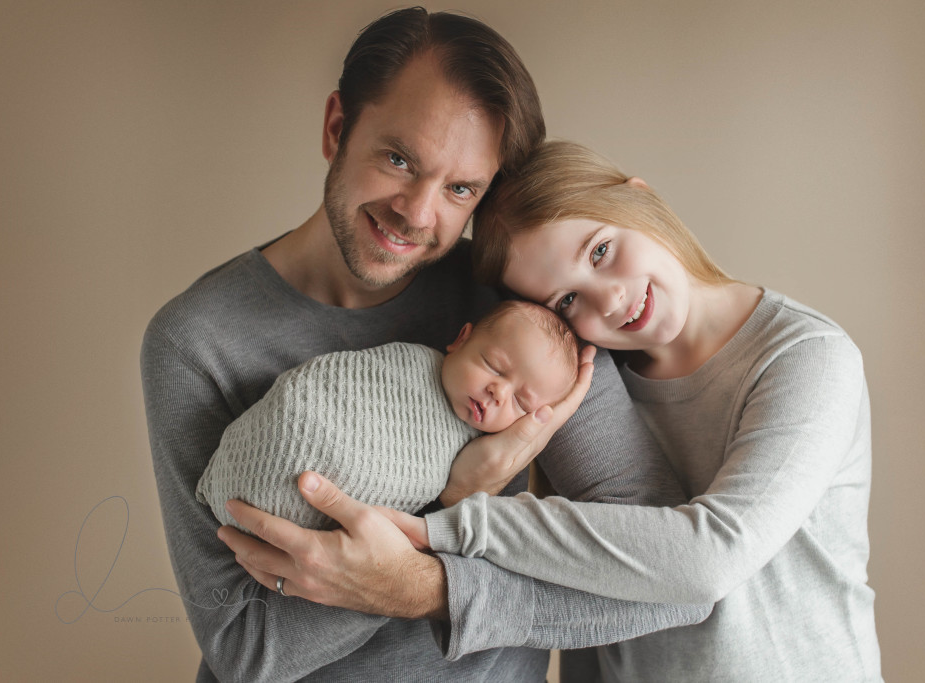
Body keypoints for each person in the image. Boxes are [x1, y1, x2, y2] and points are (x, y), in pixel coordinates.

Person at [141, 9, 709, 682]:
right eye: (399, 158)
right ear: (337, 128)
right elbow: (245, 648)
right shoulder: (198, 340)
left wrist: (425, 584)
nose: (416, 211)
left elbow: (667, 576)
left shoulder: (517, 307)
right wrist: (452, 500)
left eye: (460, 187)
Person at [382, 140, 882, 681]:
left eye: (600, 252)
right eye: (566, 301)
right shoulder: (585, 385)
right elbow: (588, 580)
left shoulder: (806, 357)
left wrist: (461, 521)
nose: (609, 300)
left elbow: (710, 561)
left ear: (638, 202)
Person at [197, 301, 579, 532]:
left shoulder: (480, 454)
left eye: (521, 404)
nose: (499, 393)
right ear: (461, 339)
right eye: (494, 366)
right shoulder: (404, 362)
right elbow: (320, 384)